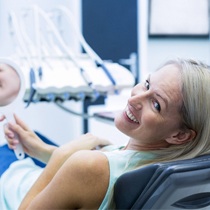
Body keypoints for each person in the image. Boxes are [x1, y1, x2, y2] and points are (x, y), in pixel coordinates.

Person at [1, 58, 210, 209]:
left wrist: (59, 157)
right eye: (146, 84)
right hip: (42, 176)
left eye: (156, 104)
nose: (134, 99)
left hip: (10, 187)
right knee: (35, 136)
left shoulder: (89, 166)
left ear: (180, 135)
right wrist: (45, 151)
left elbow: (84, 173)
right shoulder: (163, 166)